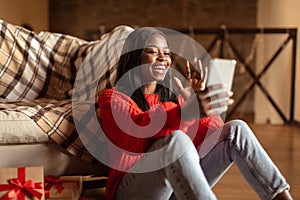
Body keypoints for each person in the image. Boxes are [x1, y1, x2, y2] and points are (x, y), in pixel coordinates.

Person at [98, 27, 293, 200]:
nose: (163, 58)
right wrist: (187, 109)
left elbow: (212, 134)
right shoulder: (111, 98)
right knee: (176, 140)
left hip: (174, 187)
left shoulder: (172, 100)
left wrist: (198, 102)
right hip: (131, 190)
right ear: (134, 57)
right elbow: (138, 132)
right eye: (152, 52)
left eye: (166, 53)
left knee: (236, 129)